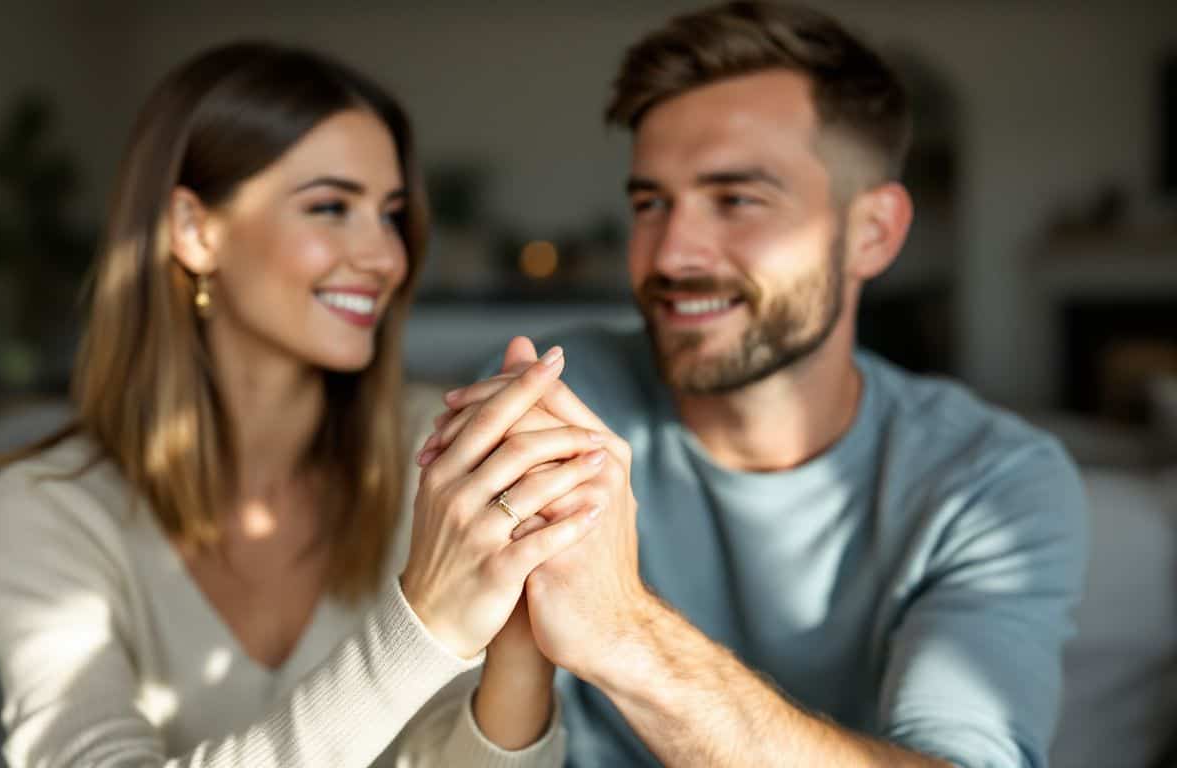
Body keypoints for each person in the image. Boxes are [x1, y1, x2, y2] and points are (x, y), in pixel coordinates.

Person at [421, 3, 1089, 766]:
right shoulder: (558, 400)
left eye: (737, 199)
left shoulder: (990, 482)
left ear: (872, 232)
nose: (672, 252)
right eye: (650, 203)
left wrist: (629, 634)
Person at [0, 41, 610, 767]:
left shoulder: (440, 459)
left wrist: (520, 649)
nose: (385, 257)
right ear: (194, 230)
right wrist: (425, 622)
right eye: (331, 206)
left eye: (391, 214)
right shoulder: (47, 509)